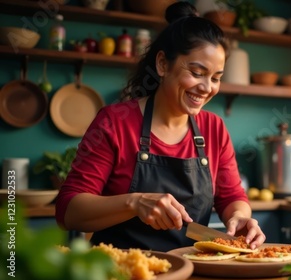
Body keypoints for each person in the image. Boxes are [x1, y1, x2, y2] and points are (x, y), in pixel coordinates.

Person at [55, 2, 266, 252]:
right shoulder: (115, 121)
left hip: (189, 270)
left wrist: (240, 216)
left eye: (216, 78)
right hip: (123, 271)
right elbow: (68, 210)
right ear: (163, 64)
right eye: (197, 72)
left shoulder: (214, 128)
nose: (207, 87)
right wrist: (135, 203)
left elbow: (232, 197)